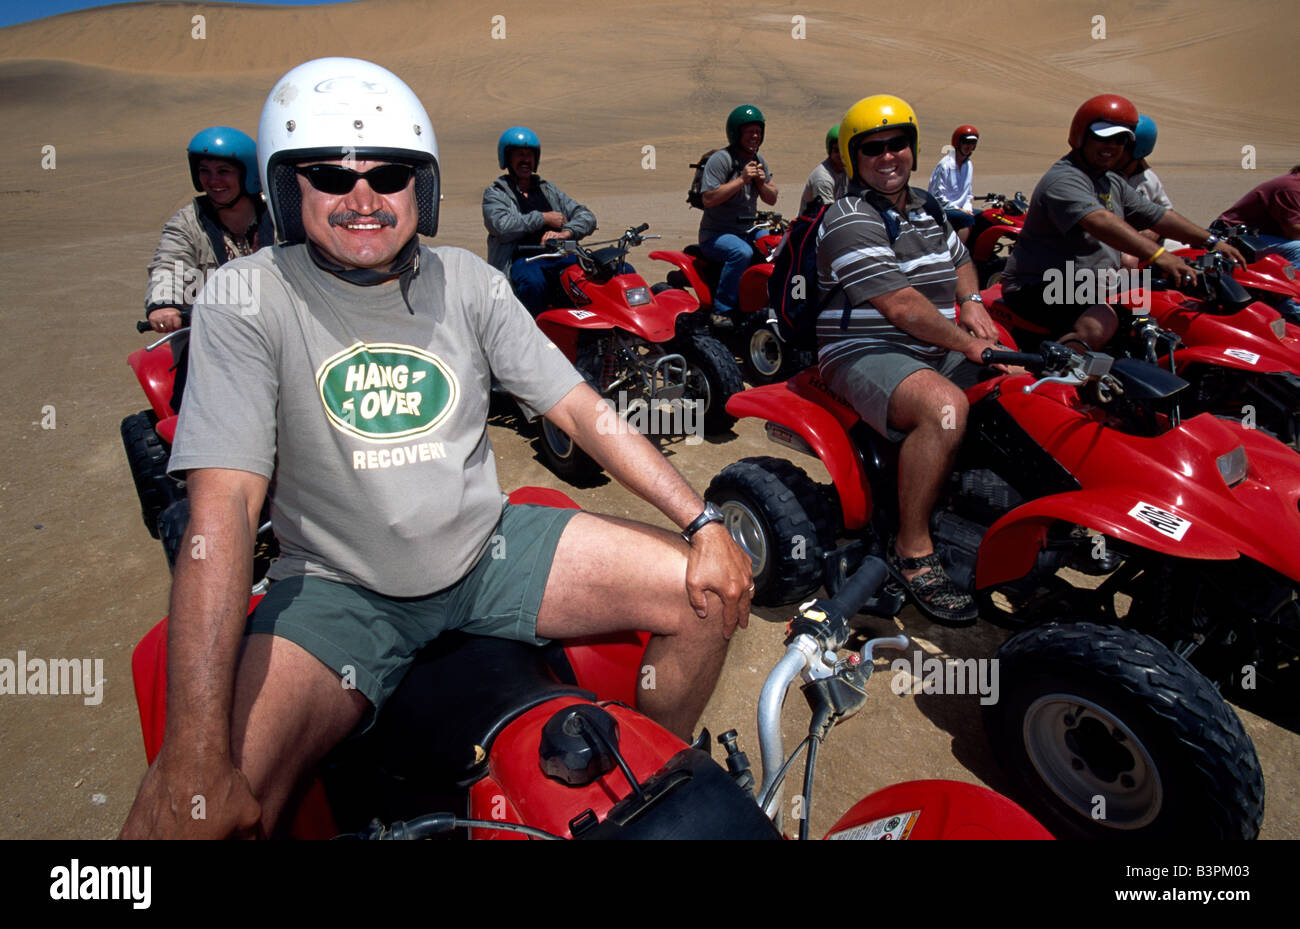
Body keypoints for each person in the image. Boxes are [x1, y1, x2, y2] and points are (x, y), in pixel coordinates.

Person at [119, 57, 753, 840]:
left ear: (423, 186)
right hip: (336, 590)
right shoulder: (248, 295)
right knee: (198, 814)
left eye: (389, 175)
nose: (362, 198)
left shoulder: (469, 283)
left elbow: (584, 412)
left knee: (709, 590)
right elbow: (226, 505)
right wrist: (191, 751)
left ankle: (648, 772)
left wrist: (705, 524)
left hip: (487, 549)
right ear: (287, 189)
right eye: (328, 175)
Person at [816, 95, 1004, 626]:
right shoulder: (847, 216)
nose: (887, 156)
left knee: (1020, 386)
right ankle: (912, 549)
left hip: (931, 342)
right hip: (862, 349)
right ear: (855, 159)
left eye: (897, 143)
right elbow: (899, 305)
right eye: (871, 148)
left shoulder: (926, 206)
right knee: (942, 406)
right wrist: (967, 343)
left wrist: (971, 303)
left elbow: (964, 260)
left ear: (914, 148)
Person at [1001, 94, 1244, 350]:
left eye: (1121, 140)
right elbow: (1099, 221)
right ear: (1081, 134)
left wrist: (1211, 241)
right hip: (1039, 284)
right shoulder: (1065, 179)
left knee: (1156, 318)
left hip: (1088, 283)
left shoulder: (1110, 180)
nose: (1112, 146)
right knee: (1098, 324)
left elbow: (1157, 215)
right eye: (1103, 136)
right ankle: (1060, 381)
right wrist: (1159, 254)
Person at [145, 127, 272, 408]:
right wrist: (164, 305)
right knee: (196, 409)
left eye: (224, 171)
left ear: (247, 173)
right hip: (211, 336)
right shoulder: (188, 223)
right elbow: (169, 263)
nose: (213, 180)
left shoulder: (278, 217)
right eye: (205, 171)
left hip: (276, 330)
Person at [482, 127, 597, 315]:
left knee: (590, 280)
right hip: (522, 260)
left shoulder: (547, 190)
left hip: (559, 255)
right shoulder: (495, 193)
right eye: (519, 154)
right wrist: (543, 218)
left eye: (530, 155)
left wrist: (565, 233)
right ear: (507, 158)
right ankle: (531, 332)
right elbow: (501, 226)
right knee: (533, 283)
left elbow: (586, 216)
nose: (525, 160)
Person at [698, 104, 778, 322]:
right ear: (736, 133)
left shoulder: (759, 160)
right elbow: (708, 198)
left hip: (749, 229)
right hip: (716, 234)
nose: (755, 136)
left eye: (758, 132)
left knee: (778, 248)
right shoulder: (721, 160)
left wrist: (761, 183)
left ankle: (770, 302)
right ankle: (722, 310)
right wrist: (741, 180)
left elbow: (771, 198)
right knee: (741, 253)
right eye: (749, 132)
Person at [1217, 165, 1300, 269]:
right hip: (1237, 237)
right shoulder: (1291, 188)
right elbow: (1293, 232)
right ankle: (1293, 284)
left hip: (1267, 236)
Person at [928, 125, 979, 242]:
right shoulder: (945, 165)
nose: (969, 146)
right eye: (966, 142)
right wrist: (958, 209)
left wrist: (967, 208)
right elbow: (937, 196)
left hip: (961, 209)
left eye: (972, 143)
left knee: (983, 217)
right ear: (958, 143)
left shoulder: (968, 165)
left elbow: (968, 193)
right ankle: (959, 256)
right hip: (943, 208)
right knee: (966, 219)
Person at [798, 124, 846, 215]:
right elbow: (829, 214)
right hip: (813, 223)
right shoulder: (823, 178)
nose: (841, 155)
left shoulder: (847, 169)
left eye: (844, 149)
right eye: (836, 150)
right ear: (829, 151)